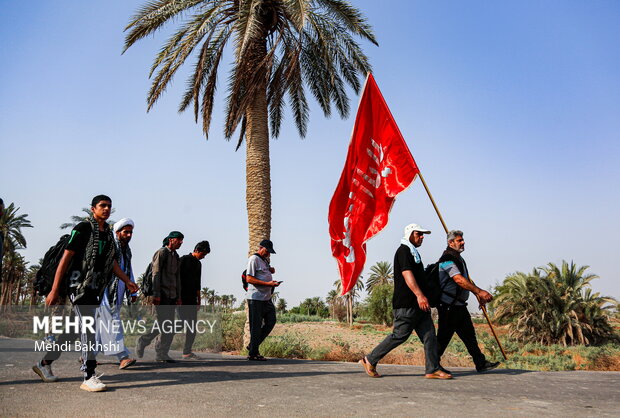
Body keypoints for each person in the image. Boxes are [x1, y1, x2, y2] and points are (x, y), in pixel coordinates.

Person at [32, 195, 139, 392]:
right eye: (102, 206)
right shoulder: (82, 229)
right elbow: (66, 257)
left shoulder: (107, 233)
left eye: (109, 206)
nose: (106, 209)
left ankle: (45, 363)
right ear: (93, 209)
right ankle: (88, 375)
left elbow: (112, 262)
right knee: (89, 327)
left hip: (95, 287)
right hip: (78, 286)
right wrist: (55, 289)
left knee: (73, 332)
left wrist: (127, 281)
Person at [360, 223, 451, 379]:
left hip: (419, 305)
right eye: (418, 234)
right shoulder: (404, 251)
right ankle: (370, 359)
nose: (422, 237)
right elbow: (407, 275)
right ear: (409, 234)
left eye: (423, 235)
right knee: (399, 335)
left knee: (430, 336)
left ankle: (432, 369)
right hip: (407, 304)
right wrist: (419, 295)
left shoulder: (413, 252)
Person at [436, 230, 500, 373]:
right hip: (448, 307)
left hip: (459, 306)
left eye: (462, 240)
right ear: (450, 243)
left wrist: (478, 295)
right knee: (443, 338)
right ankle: (433, 365)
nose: (463, 242)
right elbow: (458, 279)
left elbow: (467, 279)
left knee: (469, 336)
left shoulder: (459, 259)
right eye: (459, 240)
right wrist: (479, 291)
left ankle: (480, 363)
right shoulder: (447, 259)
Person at [95, 218, 138, 370]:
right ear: (117, 232)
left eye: (130, 232)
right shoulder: (112, 246)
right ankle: (122, 356)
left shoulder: (127, 249)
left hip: (120, 289)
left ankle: (88, 355)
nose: (129, 235)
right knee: (112, 321)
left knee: (103, 323)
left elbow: (128, 269)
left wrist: (131, 287)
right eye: (126, 232)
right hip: (106, 289)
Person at [135, 231, 184, 363]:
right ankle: (143, 340)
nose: (181, 242)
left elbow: (177, 278)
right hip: (160, 296)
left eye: (181, 240)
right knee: (161, 324)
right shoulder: (161, 253)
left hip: (172, 296)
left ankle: (162, 353)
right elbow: (155, 274)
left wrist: (178, 297)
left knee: (169, 326)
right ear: (171, 240)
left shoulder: (176, 256)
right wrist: (156, 294)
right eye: (179, 239)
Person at [245, 239, 280, 361]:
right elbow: (249, 279)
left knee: (271, 321)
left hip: (266, 298)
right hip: (256, 298)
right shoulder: (253, 259)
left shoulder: (264, 260)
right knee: (256, 326)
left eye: (270, 252)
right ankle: (253, 353)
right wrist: (267, 283)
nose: (268, 254)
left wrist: (270, 271)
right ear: (261, 248)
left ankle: (253, 345)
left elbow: (264, 272)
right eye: (267, 251)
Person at [178, 240, 210, 359]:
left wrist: (199, 300)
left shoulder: (198, 264)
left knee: (192, 326)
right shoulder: (183, 260)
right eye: (203, 254)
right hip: (181, 298)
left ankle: (187, 351)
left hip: (192, 299)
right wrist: (178, 298)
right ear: (196, 250)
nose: (203, 257)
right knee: (180, 324)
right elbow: (177, 280)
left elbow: (198, 284)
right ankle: (160, 342)